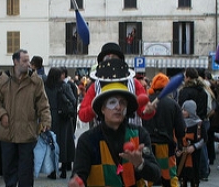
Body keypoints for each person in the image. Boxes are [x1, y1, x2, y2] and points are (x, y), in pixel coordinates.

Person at [69, 59, 161, 187]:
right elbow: (79, 175)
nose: (118, 107)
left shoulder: (139, 134)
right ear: (102, 108)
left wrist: (140, 164)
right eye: (112, 102)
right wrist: (76, 183)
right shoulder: (87, 140)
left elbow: (156, 175)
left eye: (122, 102)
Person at [0, 49, 51, 187]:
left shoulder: (35, 81)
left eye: (28, 60)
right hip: (8, 132)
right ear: (15, 62)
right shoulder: (3, 80)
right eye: (24, 61)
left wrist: (46, 121)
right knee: (9, 169)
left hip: (27, 132)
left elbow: (43, 103)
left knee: (26, 171)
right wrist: (2, 114)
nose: (28, 64)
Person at [78, 43, 155, 125]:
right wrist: (95, 107)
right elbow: (83, 115)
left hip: (130, 135)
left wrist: (148, 110)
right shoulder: (95, 87)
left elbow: (143, 110)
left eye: (114, 58)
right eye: (107, 59)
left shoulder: (134, 83)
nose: (111, 62)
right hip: (103, 135)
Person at [143, 73, 185, 187]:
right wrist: (180, 144)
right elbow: (180, 128)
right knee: (170, 177)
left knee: (147, 178)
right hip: (166, 146)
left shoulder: (145, 103)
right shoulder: (173, 104)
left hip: (147, 146)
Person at [42, 67, 76, 179]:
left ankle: (52, 171)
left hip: (50, 116)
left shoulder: (46, 87)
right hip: (64, 117)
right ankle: (64, 170)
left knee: (51, 144)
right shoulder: (64, 86)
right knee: (64, 142)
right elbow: (73, 100)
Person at [178, 68, 210, 181]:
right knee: (202, 146)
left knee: (186, 146)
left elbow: (180, 108)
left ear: (188, 77)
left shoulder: (184, 91)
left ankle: (185, 172)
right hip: (201, 120)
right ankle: (204, 171)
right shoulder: (203, 91)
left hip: (188, 123)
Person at [176, 100, 202, 187]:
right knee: (183, 177)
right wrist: (178, 149)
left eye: (185, 110)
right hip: (182, 154)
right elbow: (177, 137)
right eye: (182, 110)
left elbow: (204, 139)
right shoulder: (180, 123)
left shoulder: (198, 124)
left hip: (193, 155)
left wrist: (194, 147)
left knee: (194, 176)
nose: (183, 112)